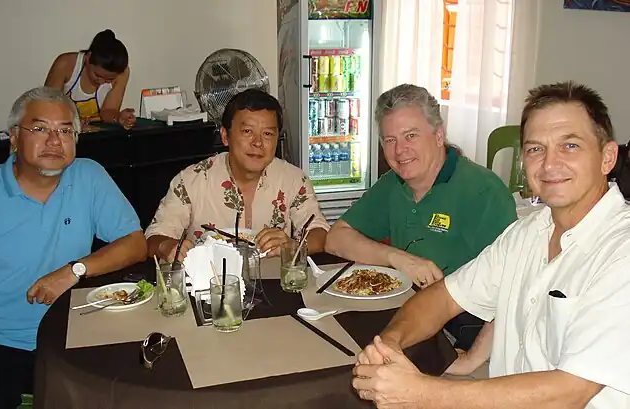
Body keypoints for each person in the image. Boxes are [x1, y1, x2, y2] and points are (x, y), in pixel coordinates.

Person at [352, 81, 629, 408]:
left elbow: (570, 391)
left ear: (607, 157)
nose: (549, 164)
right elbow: (443, 298)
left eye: (569, 146)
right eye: (535, 149)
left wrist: (422, 393)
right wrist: (390, 344)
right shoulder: (525, 234)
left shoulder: (620, 251)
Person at [0, 87, 147, 409]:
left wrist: (74, 271)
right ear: (14, 138)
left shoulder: (88, 176)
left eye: (65, 131)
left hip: (75, 334)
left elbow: (135, 244)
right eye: (40, 128)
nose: (55, 141)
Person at [325, 84, 516, 352]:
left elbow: (511, 289)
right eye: (390, 140)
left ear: (439, 135)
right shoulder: (393, 184)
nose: (399, 150)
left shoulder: (483, 192)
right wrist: (398, 258)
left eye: (411, 136)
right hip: (405, 317)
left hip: (460, 331)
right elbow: (335, 239)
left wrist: (472, 357)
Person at [146, 89, 328, 261]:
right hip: (211, 280)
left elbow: (320, 233)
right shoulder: (191, 180)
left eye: (267, 134)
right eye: (247, 132)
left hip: (275, 279)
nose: (258, 143)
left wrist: (294, 246)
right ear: (225, 136)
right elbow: (154, 238)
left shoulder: (293, 179)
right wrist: (166, 247)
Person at [45, 29, 136, 129]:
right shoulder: (66, 64)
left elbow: (108, 111)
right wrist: (71, 121)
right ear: (88, 58)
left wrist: (118, 118)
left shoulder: (122, 73)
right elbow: (48, 106)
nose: (101, 82)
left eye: (109, 80)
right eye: (97, 75)